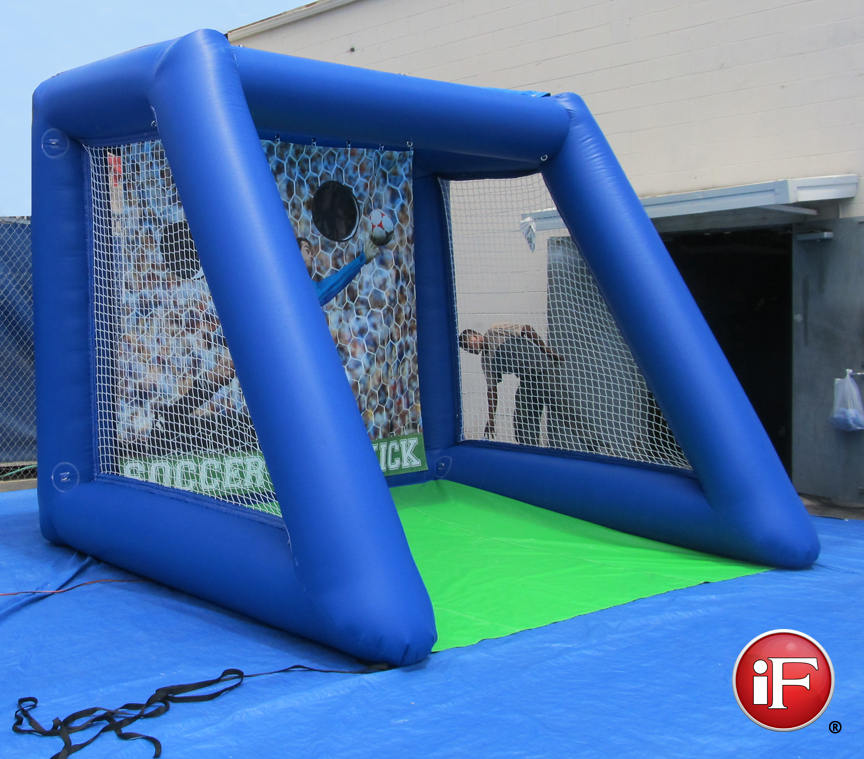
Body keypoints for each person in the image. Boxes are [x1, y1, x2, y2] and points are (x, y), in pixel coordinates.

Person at [459, 324, 597, 450]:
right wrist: (491, 419)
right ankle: (530, 450)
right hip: (527, 381)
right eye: (466, 349)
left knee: (563, 408)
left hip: (544, 370)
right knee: (522, 417)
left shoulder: (494, 331)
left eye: (468, 345)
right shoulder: (486, 361)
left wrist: (546, 350)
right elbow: (492, 390)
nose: (469, 350)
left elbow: (526, 329)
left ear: (476, 337)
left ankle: (594, 443)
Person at [297, 235, 379, 306]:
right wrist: (362, 258)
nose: (311, 257)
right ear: (295, 252)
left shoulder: (311, 288)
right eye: (307, 251)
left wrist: (362, 259)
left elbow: (337, 280)